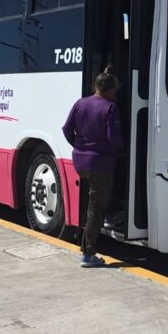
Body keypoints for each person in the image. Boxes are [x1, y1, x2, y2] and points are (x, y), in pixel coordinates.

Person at [62, 67, 125, 268]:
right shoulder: (110, 107)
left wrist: (80, 147)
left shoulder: (81, 103)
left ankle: (82, 236)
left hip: (80, 161)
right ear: (107, 90)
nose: (116, 94)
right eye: (115, 90)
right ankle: (88, 254)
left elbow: (66, 129)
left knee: (88, 202)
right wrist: (121, 149)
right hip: (100, 163)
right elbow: (113, 138)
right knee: (96, 209)